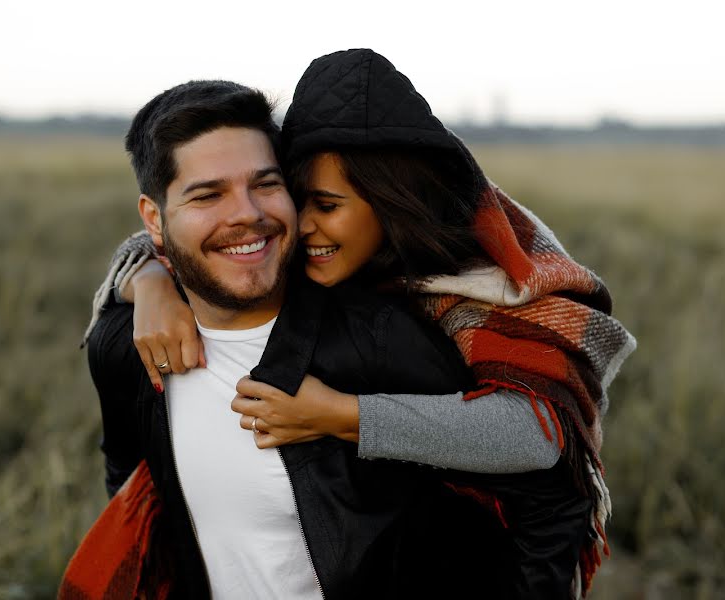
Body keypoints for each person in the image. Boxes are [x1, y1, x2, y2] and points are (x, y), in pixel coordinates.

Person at [78, 50, 636, 599]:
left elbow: (547, 474)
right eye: (208, 194)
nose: (251, 213)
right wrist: (147, 279)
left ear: (387, 209)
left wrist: (345, 416)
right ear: (154, 217)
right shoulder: (129, 343)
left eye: (269, 186)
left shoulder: (408, 328)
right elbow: (130, 480)